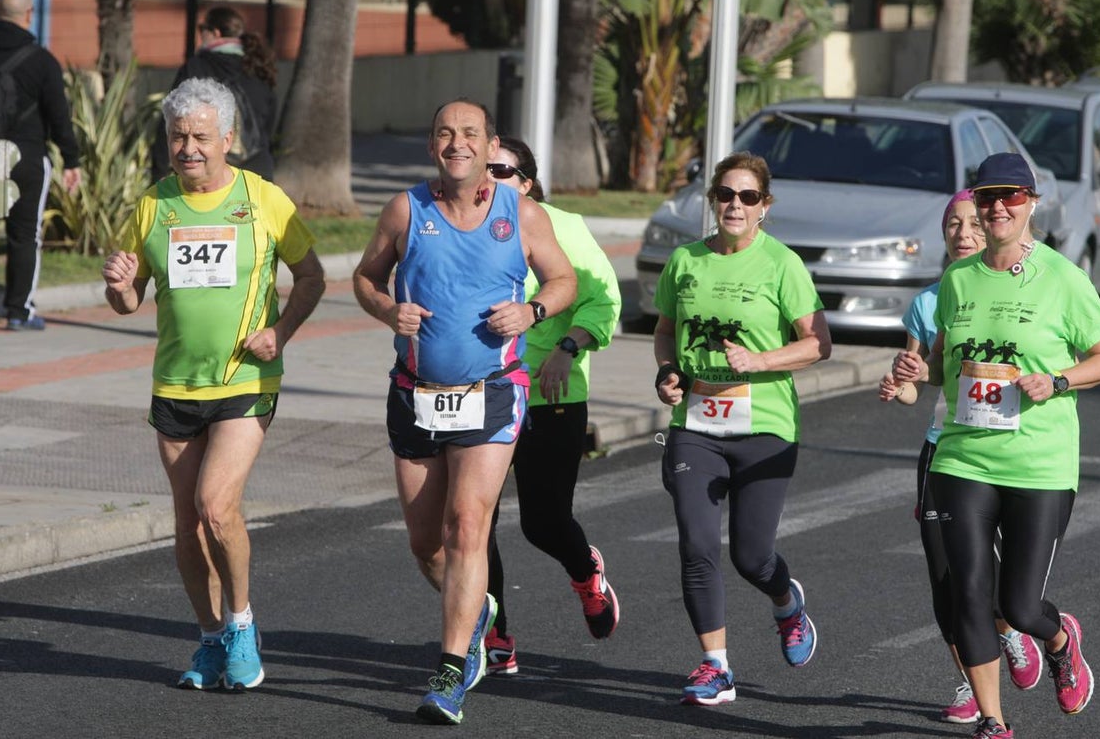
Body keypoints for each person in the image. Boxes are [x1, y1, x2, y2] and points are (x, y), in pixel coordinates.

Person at [352, 99, 576, 725]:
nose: (458, 143)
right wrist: (384, 310)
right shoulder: (406, 209)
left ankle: (451, 669)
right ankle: (475, 610)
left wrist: (532, 312)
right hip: (415, 392)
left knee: (466, 524)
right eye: (446, 134)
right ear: (432, 146)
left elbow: (564, 281)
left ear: (489, 144)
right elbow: (366, 278)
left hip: (493, 390)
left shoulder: (520, 213)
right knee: (426, 543)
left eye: (470, 134)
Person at [892, 152, 1100, 739]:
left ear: (1031, 204)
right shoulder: (957, 280)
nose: (998, 208)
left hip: (1039, 465)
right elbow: (947, 364)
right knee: (969, 591)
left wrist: (1059, 380)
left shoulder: (1063, 278)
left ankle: (1058, 637)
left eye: (1012, 197)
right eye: (989, 196)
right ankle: (993, 720)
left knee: (1019, 606)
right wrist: (913, 373)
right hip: (963, 456)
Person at [101, 77, 324, 692]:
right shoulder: (153, 206)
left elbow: (311, 277)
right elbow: (126, 299)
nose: (188, 147)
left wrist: (281, 331)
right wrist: (119, 284)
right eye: (178, 136)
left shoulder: (265, 199)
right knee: (187, 522)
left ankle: (243, 624)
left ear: (229, 138)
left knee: (215, 506)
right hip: (175, 381)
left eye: (201, 136)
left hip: (245, 378)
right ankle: (209, 638)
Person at [652, 151, 831, 706]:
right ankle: (715, 665)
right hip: (697, 425)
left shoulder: (782, 264)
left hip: (765, 427)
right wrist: (667, 372)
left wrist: (761, 361)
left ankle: (787, 603)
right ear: (713, 202)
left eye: (747, 197)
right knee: (697, 544)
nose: (735, 205)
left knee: (751, 556)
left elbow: (818, 343)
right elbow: (665, 329)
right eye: (726, 195)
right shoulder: (685, 261)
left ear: (764, 207)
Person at [879, 190, 1043, 725]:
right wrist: (900, 384)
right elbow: (916, 381)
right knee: (949, 581)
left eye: (974, 222)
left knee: (1000, 582)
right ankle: (975, 682)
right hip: (947, 451)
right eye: (953, 224)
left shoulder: (1027, 286)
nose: (963, 232)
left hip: (1017, 451)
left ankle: (1012, 629)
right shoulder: (930, 302)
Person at [482, 137, 622, 675]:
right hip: (484, 396)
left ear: (527, 183)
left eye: (503, 170)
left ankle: (587, 572)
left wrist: (569, 347)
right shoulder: (466, 228)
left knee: (543, 523)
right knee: (475, 524)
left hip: (550, 395)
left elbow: (603, 299)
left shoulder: (561, 227)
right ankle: (494, 636)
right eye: (485, 169)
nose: (491, 179)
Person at [0, 0, 81, 331]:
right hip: (24, 156)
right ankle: (18, 311)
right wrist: (71, 161)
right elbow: (59, 117)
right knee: (25, 233)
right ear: (29, 14)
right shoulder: (42, 60)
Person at [151, 5, 277, 181]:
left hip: (212, 173)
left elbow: (173, 117)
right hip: (257, 170)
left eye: (202, 30)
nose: (200, 36)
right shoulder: (258, 68)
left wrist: (159, 169)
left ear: (215, 33)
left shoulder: (197, 67)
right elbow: (268, 125)